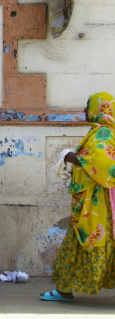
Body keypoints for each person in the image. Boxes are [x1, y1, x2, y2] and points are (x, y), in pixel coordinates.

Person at [40, 92, 115, 301]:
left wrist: (70, 156)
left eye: (87, 106)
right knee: (78, 241)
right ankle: (63, 290)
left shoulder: (103, 134)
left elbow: (102, 165)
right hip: (95, 204)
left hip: (97, 205)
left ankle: (64, 290)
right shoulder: (102, 132)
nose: (84, 110)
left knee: (83, 240)